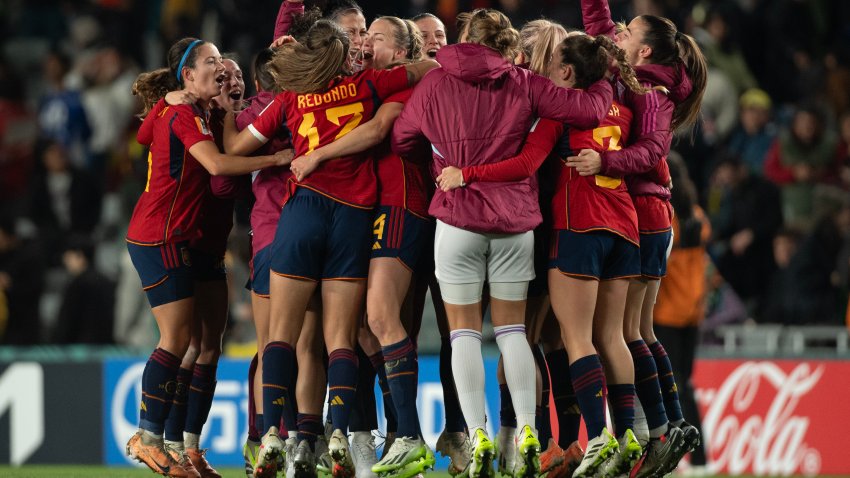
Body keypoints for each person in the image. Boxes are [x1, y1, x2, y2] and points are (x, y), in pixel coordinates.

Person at [392, 8, 613, 478]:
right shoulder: (524, 83)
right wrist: (607, 74)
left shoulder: (433, 84)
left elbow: (402, 138)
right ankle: (530, 429)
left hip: (456, 219)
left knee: (464, 335)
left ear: (464, 37)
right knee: (515, 333)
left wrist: (440, 162)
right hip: (515, 223)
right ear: (506, 43)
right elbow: (590, 109)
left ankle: (478, 438)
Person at [222, 20, 439, 478]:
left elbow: (235, 148)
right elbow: (423, 68)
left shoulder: (290, 96)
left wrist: (229, 111)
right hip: (355, 219)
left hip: (303, 212)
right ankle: (336, 433)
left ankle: (277, 437)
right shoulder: (368, 84)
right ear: (342, 55)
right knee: (341, 338)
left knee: (280, 336)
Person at [437, 30, 648, 478]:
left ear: (567, 71)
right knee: (611, 336)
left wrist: (468, 171)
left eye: (552, 62)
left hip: (574, 225)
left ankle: (590, 439)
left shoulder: (557, 113)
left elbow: (525, 165)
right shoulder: (621, 107)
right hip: (626, 227)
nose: (545, 69)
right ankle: (626, 433)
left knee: (553, 339)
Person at [124, 37, 292, 478]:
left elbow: (146, 133)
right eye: (217, 65)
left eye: (233, 70)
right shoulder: (192, 116)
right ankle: (150, 437)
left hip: (198, 242)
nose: (227, 73)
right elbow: (218, 175)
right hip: (167, 237)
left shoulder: (206, 115)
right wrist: (275, 157)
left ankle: (185, 448)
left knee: (206, 347)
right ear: (190, 74)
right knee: (179, 342)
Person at [577, 1, 708, 476]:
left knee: (628, 332)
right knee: (639, 331)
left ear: (645, 48)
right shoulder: (641, 80)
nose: (620, 33)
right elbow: (599, 28)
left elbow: (653, 150)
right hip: (648, 211)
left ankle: (654, 434)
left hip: (647, 212)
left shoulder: (651, 91)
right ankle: (669, 425)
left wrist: (606, 163)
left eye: (628, 30)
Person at [652, 153, 711, 472]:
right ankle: (699, 458)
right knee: (683, 383)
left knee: (669, 386)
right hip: (692, 312)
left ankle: (676, 457)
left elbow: (661, 262)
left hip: (667, 313)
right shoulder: (698, 216)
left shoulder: (668, 215)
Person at [52, 235, 115, 344]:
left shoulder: (77, 284)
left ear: (80, 256)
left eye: (68, 256)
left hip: (77, 351)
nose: (65, 260)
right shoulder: (107, 282)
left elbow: (67, 323)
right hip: (104, 348)